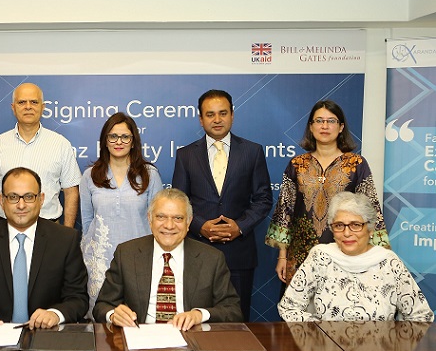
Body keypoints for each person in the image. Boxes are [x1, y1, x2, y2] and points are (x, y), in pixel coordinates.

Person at [172, 89, 272, 321]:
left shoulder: (252, 151)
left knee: (236, 320)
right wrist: (200, 226)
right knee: (194, 320)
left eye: (223, 113)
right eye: (210, 114)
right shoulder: (186, 155)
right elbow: (179, 201)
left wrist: (239, 226)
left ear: (232, 115)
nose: (217, 119)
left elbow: (263, 199)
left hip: (239, 252)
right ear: (201, 119)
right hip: (197, 251)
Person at [266, 100, 390, 285]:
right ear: (311, 127)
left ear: (341, 127)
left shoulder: (356, 164)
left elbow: (371, 212)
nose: (324, 126)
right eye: (319, 121)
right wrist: (282, 256)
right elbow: (285, 213)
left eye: (331, 121)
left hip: (345, 253)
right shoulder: (297, 165)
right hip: (300, 256)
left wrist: (375, 256)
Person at [0, 167, 88, 332]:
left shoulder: (65, 239)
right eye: (13, 197)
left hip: (47, 335)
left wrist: (55, 314)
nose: (21, 205)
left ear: (41, 199)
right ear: (1, 200)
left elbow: (78, 298)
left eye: (29, 197)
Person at [93, 188, 243, 330]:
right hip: (140, 337)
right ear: (150, 219)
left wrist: (199, 315)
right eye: (161, 217)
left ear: (188, 222)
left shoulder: (212, 258)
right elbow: (102, 306)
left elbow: (233, 311)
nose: (169, 225)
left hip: (191, 337)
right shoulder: (126, 254)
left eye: (178, 218)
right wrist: (113, 315)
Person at [278, 192, 433, 322]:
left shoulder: (388, 262)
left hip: (379, 348)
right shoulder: (320, 257)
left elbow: (421, 316)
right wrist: (322, 334)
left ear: (370, 229)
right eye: (339, 225)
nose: (346, 233)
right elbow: (288, 308)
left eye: (356, 225)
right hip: (327, 348)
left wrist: (393, 342)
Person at [80, 112, 163, 315]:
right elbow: (87, 221)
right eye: (113, 136)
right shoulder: (90, 176)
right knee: (102, 317)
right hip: (101, 262)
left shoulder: (149, 174)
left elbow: (158, 219)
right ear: (105, 140)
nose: (119, 142)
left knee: (138, 316)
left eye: (125, 137)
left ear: (133, 141)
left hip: (139, 258)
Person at [0, 83, 81, 227]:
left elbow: (71, 192)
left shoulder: (61, 144)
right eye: (22, 102)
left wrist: (67, 234)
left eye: (34, 102)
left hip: (50, 229)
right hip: (5, 229)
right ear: (13, 107)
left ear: (43, 107)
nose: (28, 107)